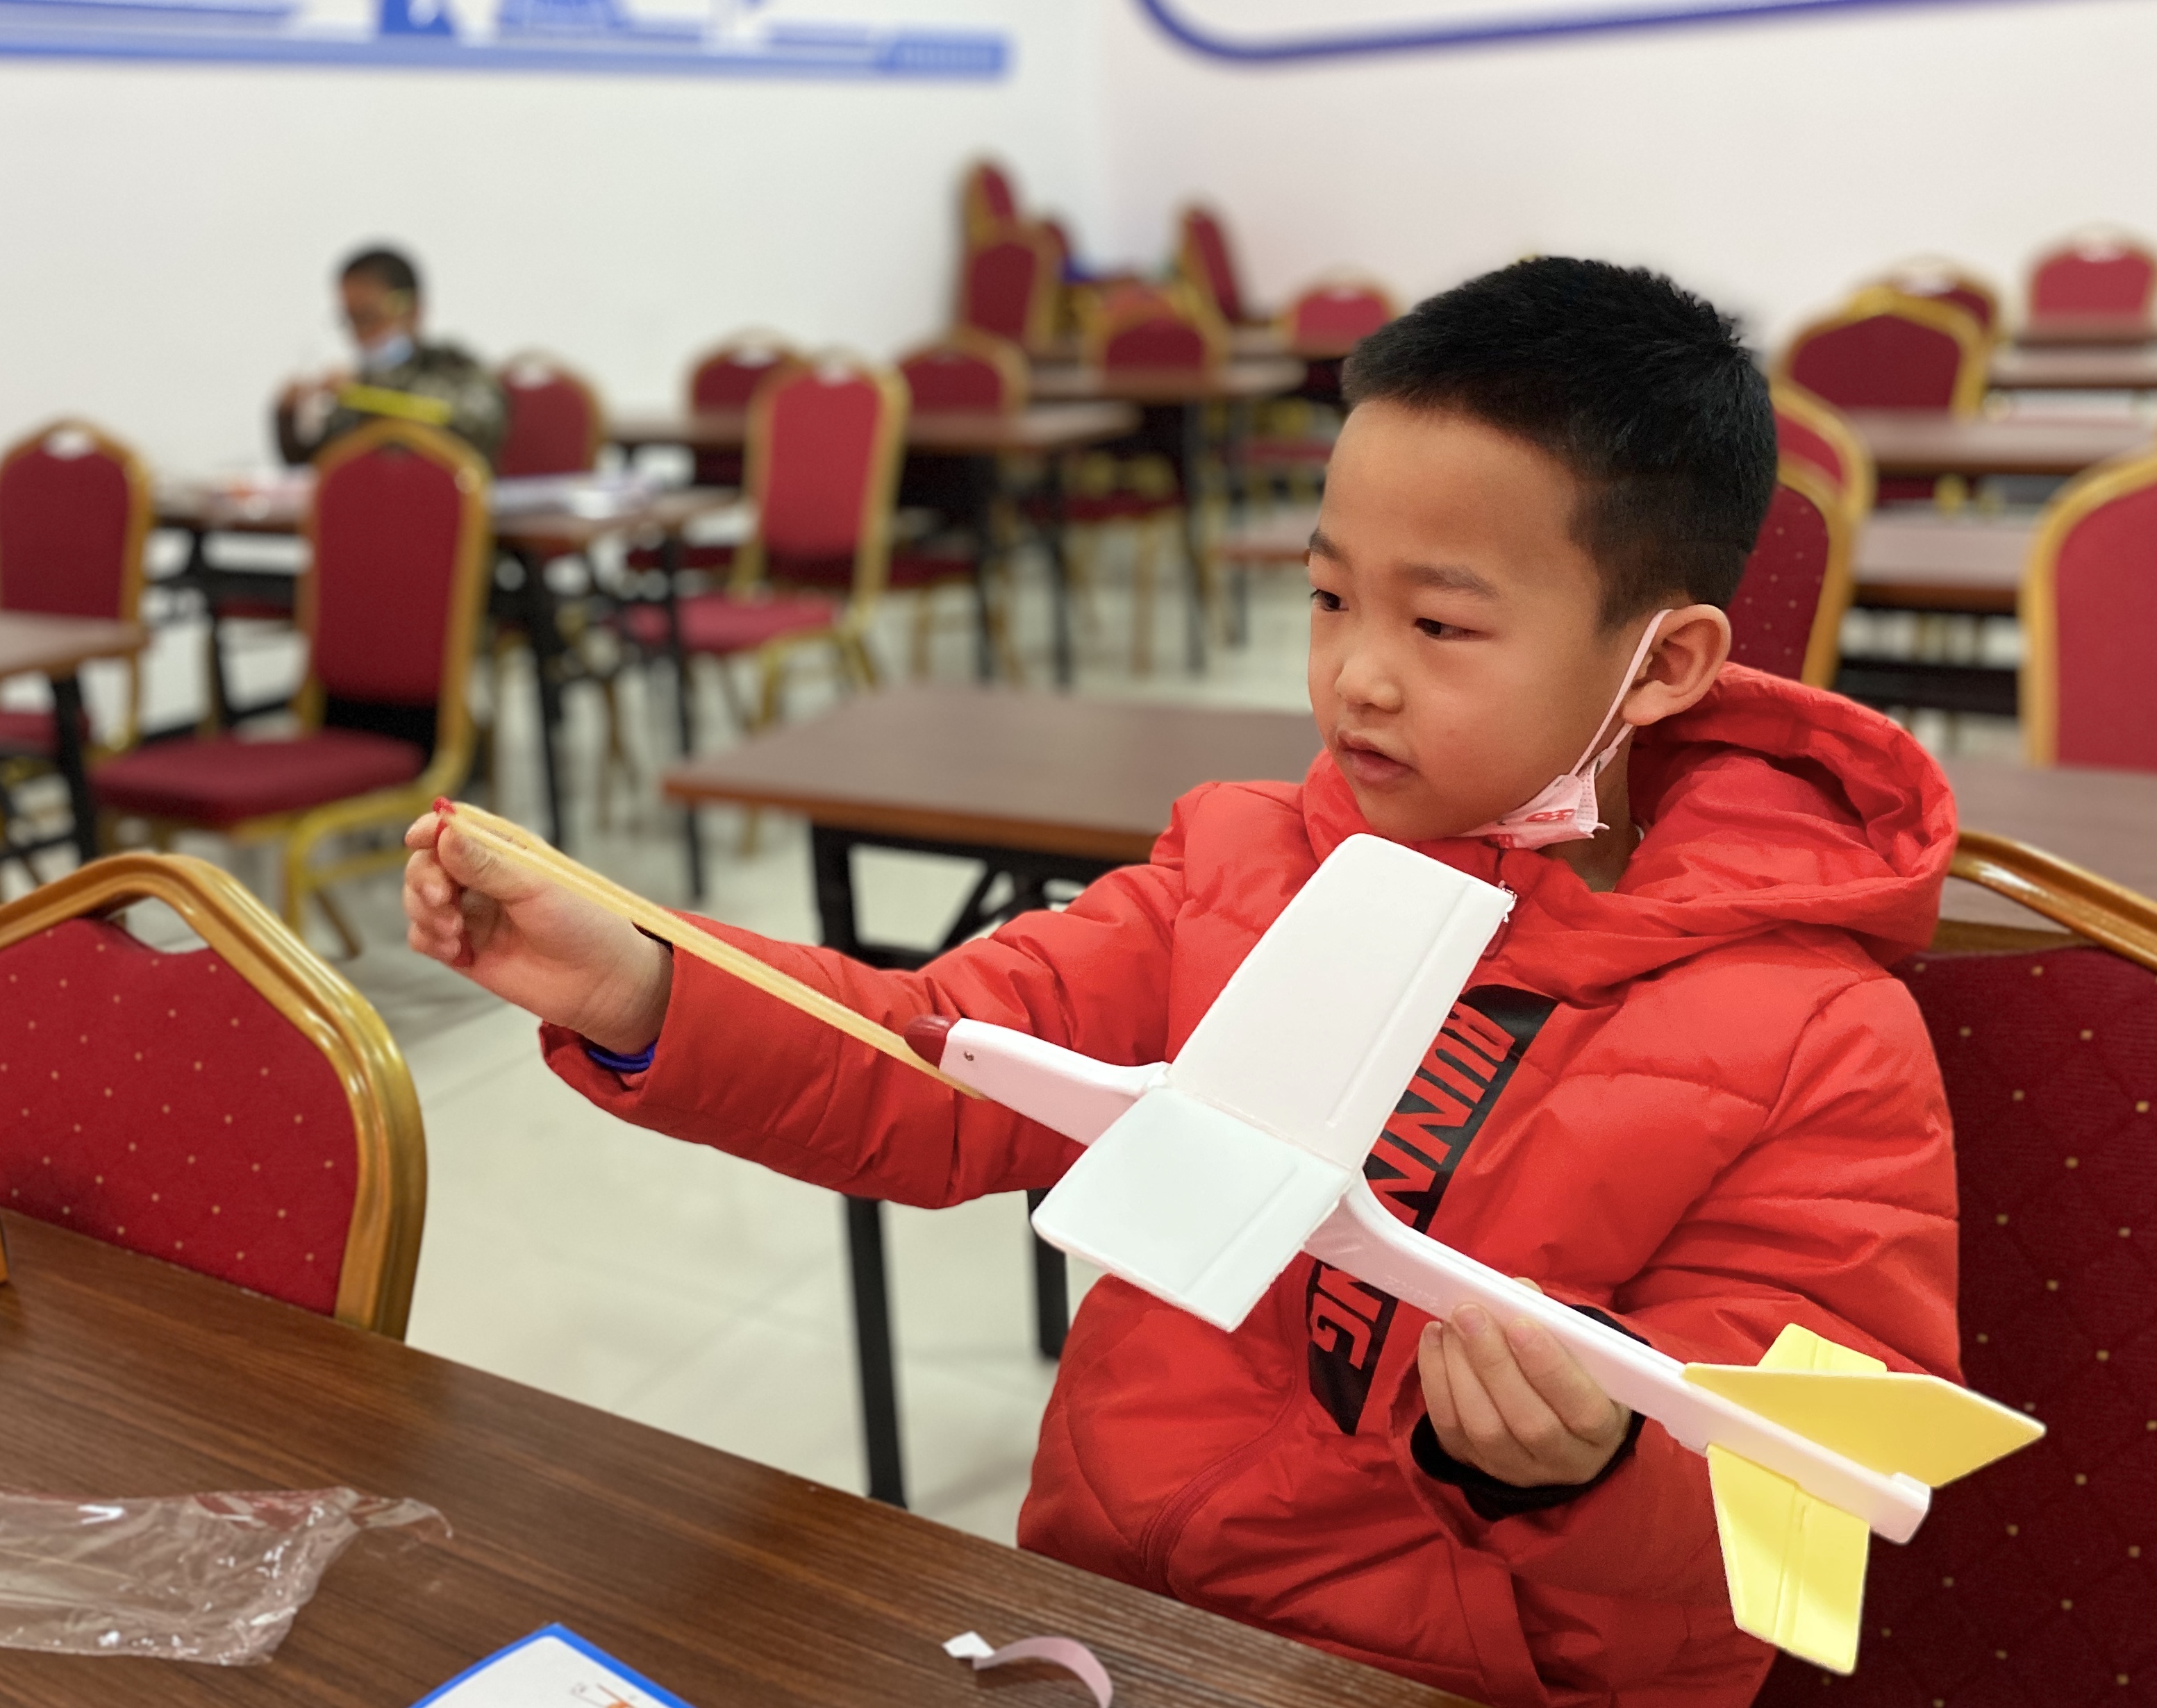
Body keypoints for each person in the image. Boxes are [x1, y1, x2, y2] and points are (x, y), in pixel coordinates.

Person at [399, 258, 1959, 1707]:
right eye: (1329, 598)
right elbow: (940, 1065)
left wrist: (1588, 1464)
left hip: (1454, 1675)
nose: (1356, 675)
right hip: (1113, 1614)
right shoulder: (1242, 866)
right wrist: (642, 988)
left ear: (1664, 663)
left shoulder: (1820, 1034)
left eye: (1439, 623)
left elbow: (1818, 1492)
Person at [274, 246, 506, 466]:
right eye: (351, 320)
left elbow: (477, 425)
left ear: (412, 310)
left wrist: (368, 395)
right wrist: (289, 416)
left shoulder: (454, 368)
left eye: (368, 317)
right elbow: (321, 465)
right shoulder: (353, 388)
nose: (360, 334)